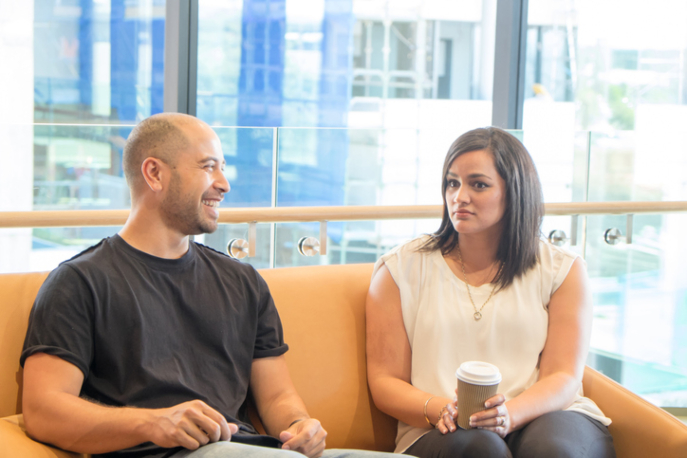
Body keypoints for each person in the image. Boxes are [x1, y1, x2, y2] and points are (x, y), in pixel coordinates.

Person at [20, 113, 396, 458]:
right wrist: (153, 422)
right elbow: (43, 410)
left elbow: (278, 396)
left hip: (248, 449)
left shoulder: (243, 280)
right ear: (154, 173)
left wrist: (300, 425)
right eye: (208, 167)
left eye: (223, 167)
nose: (224, 184)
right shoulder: (79, 282)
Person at [365, 127, 616, 458]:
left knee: (553, 451)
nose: (460, 196)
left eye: (478, 185)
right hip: (442, 429)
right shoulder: (399, 269)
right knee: (481, 449)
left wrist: (509, 415)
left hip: (549, 416)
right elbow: (385, 381)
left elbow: (563, 376)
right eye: (452, 183)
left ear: (514, 192)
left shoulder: (562, 270)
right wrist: (442, 408)